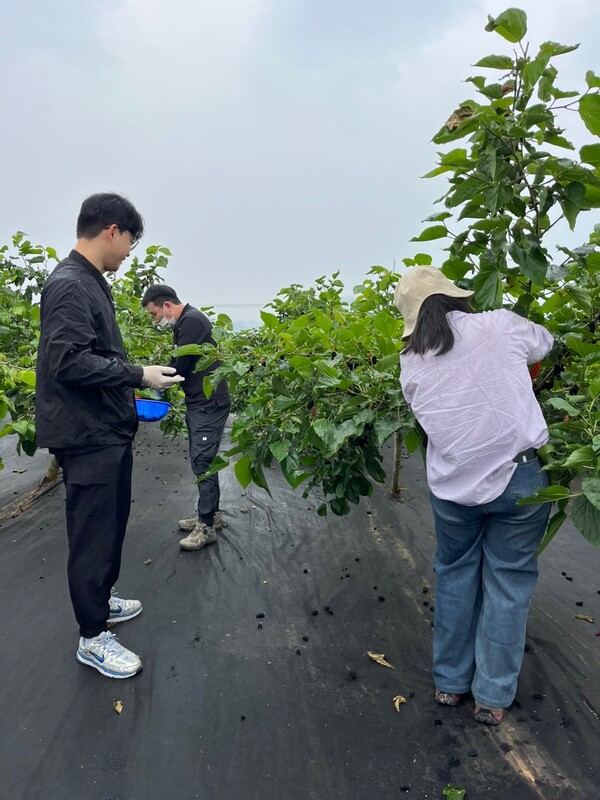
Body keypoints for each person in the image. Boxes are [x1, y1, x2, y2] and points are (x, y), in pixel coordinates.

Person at [394, 265, 554, 726]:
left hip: (453, 489)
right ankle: (493, 697)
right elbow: (544, 345)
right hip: (518, 479)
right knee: (508, 582)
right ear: (456, 297)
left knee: (456, 576)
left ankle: (449, 684)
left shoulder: (410, 361)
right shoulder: (499, 324)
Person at [35, 193, 184, 679]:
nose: (128, 254)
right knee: (92, 533)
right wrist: (139, 374)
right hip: (87, 433)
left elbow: (93, 355)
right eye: (130, 243)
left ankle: (102, 599)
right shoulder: (70, 285)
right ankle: (92, 635)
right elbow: (68, 361)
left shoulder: (91, 282)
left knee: (111, 522)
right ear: (112, 230)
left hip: (105, 428)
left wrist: (133, 379)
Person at [141, 285, 231, 551]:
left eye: (154, 313)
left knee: (203, 461)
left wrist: (149, 378)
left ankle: (206, 527)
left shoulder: (192, 321)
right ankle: (211, 515)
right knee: (202, 459)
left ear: (167, 305)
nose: (155, 320)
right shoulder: (186, 323)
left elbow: (180, 365)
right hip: (200, 403)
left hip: (208, 404)